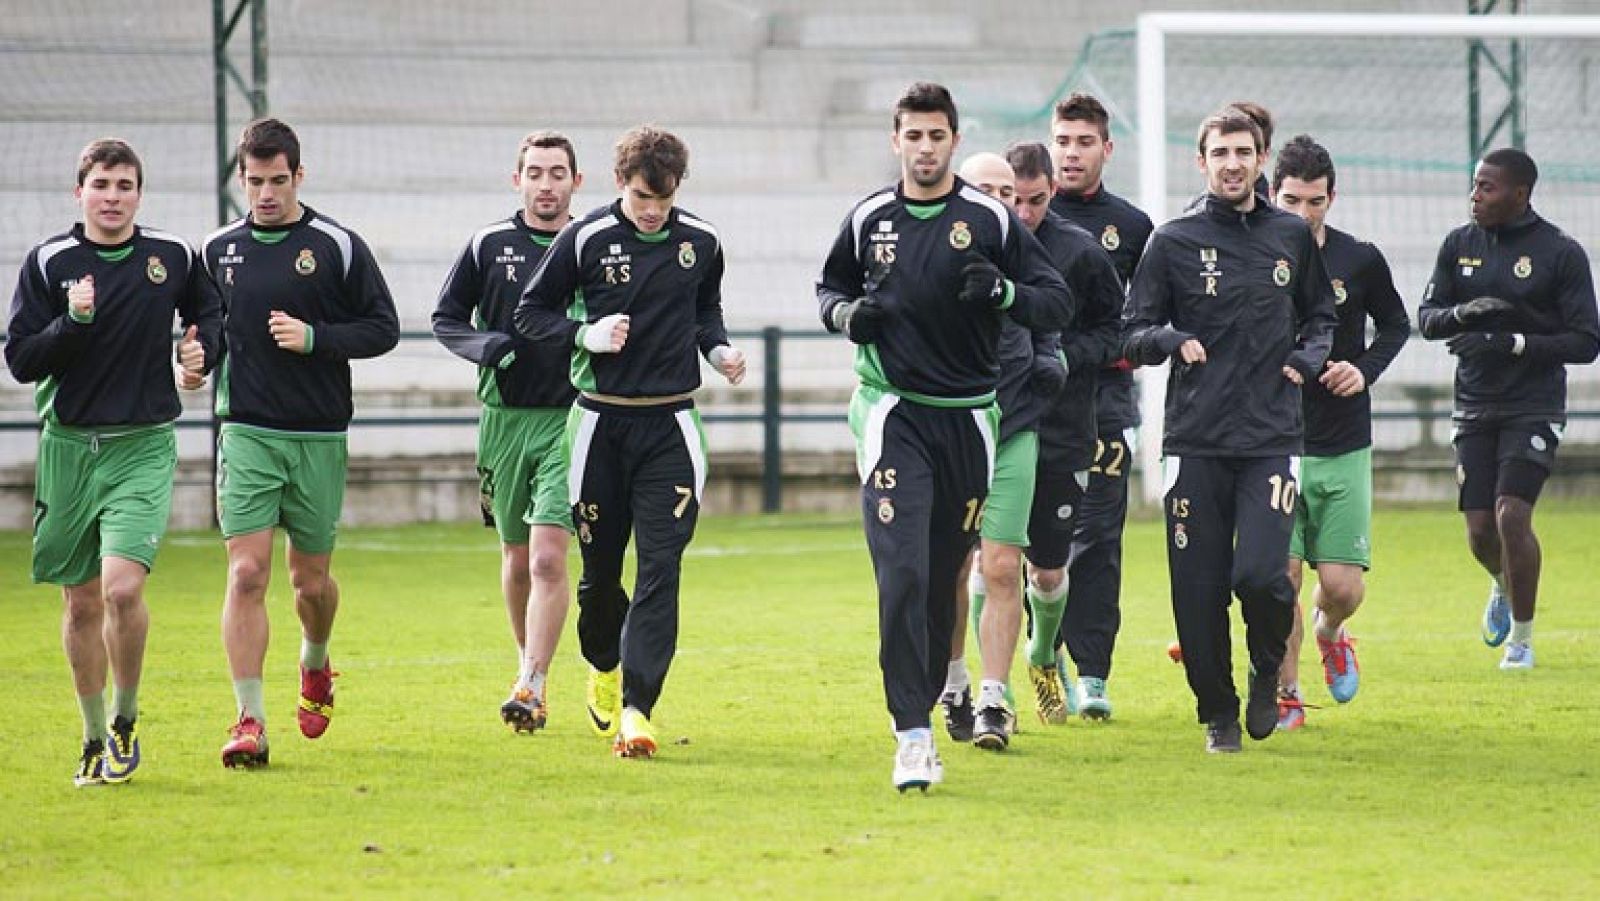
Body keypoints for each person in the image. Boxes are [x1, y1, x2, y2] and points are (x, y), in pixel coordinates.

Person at [817, 82, 1072, 791]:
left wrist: (1005, 293)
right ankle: (913, 735)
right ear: (895, 140)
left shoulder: (990, 219)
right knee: (899, 574)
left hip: (967, 419)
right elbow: (828, 290)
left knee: (938, 585)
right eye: (913, 135)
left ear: (953, 140)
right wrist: (847, 316)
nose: (924, 147)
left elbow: (1057, 299)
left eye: (937, 135)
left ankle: (937, 689)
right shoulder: (869, 217)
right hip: (894, 413)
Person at [515, 125, 745, 760]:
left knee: (662, 567)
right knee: (600, 576)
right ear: (621, 184)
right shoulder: (584, 238)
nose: (652, 212)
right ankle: (604, 666)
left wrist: (719, 350)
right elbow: (531, 314)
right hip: (598, 426)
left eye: (664, 201)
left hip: (671, 426)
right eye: (643, 197)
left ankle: (639, 711)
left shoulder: (702, 241)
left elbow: (706, 312)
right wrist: (585, 335)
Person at [6, 138, 221, 786]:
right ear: (81, 192)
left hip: (142, 445)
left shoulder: (171, 256)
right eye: (102, 184)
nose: (113, 196)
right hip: (70, 450)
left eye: (125, 185)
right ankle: (92, 734)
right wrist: (72, 323)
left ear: (138, 194)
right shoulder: (50, 263)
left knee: (122, 589)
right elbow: (21, 359)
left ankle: (127, 720)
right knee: (79, 606)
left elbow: (208, 311)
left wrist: (199, 350)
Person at [1123, 106, 1335, 754]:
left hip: (1271, 436)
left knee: (1265, 576)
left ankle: (1267, 666)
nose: (1233, 163)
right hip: (1195, 440)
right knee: (1198, 589)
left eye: (1244, 152)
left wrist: (1307, 358)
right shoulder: (1173, 240)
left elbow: (1320, 315)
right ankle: (1218, 712)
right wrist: (1169, 338)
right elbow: (1131, 329)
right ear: (1202, 160)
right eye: (1221, 153)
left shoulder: (1290, 236)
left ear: (1259, 158)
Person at [202, 118, 400, 768]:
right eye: (254, 181)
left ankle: (315, 659)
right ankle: (249, 718)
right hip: (248, 430)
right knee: (248, 572)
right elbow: (203, 333)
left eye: (277, 180)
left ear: (299, 176)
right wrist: (190, 359)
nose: (265, 193)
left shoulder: (336, 246)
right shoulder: (217, 252)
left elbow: (383, 328)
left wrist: (317, 338)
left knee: (310, 582)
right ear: (241, 178)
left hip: (318, 434)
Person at [1418, 146, 1599, 670]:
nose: (1475, 195)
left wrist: (1515, 343)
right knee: (1480, 533)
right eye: (1474, 184)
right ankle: (1502, 583)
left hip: (1533, 405)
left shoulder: (1560, 252)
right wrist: (1463, 314)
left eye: (1487, 187)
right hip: (1473, 404)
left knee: (1511, 515)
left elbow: (1586, 341)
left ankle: (1522, 639)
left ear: (1520, 194)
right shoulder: (1458, 245)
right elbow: (1428, 318)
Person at [434, 132, 583, 732]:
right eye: (536, 173)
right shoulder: (489, 244)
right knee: (517, 554)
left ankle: (533, 683)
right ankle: (528, 666)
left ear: (577, 181)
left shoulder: (594, 243)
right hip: (504, 421)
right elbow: (446, 319)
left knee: (550, 556)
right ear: (515, 179)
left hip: (573, 420)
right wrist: (486, 346)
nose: (546, 184)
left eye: (557, 173)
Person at [1269, 135, 1411, 729]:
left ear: (1332, 199)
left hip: (1345, 442)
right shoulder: (1256, 260)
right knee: (1284, 579)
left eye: (1315, 203)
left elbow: (1397, 326)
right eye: (1292, 201)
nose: (1303, 215)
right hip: (1276, 442)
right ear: (1272, 195)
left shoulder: (1360, 260)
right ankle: (1287, 697)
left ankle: (1332, 632)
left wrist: (1364, 369)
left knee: (1342, 587)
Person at [939, 151, 1064, 750]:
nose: (1002, 203)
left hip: (1012, 427)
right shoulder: (931, 250)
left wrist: (1047, 360)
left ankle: (994, 697)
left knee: (1002, 566)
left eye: (1008, 193)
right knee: (949, 570)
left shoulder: (1021, 255)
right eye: (985, 190)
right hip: (948, 429)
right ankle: (954, 680)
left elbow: (1053, 308)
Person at [1004, 141, 1124, 723]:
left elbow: (1114, 332)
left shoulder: (1079, 254)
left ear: (1052, 191)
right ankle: (990, 690)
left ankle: (1045, 653)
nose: (1024, 214)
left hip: (1063, 429)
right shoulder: (978, 243)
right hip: (993, 426)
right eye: (1013, 200)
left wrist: (1060, 356)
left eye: (1036, 200)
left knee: (1049, 569)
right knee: (992, 561)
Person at [1047, 93, 1153, 717]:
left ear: (1106, 149)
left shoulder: (1132, 227)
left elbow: (1142, 317)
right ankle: (1041, 648)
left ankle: (1092, 673)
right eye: (1063, 141)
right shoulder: (1019, 214)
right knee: (1031, 541)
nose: (1071, 153)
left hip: (1105, 402)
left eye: (1084, 142)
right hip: (1029, 404)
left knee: (1099, 539)